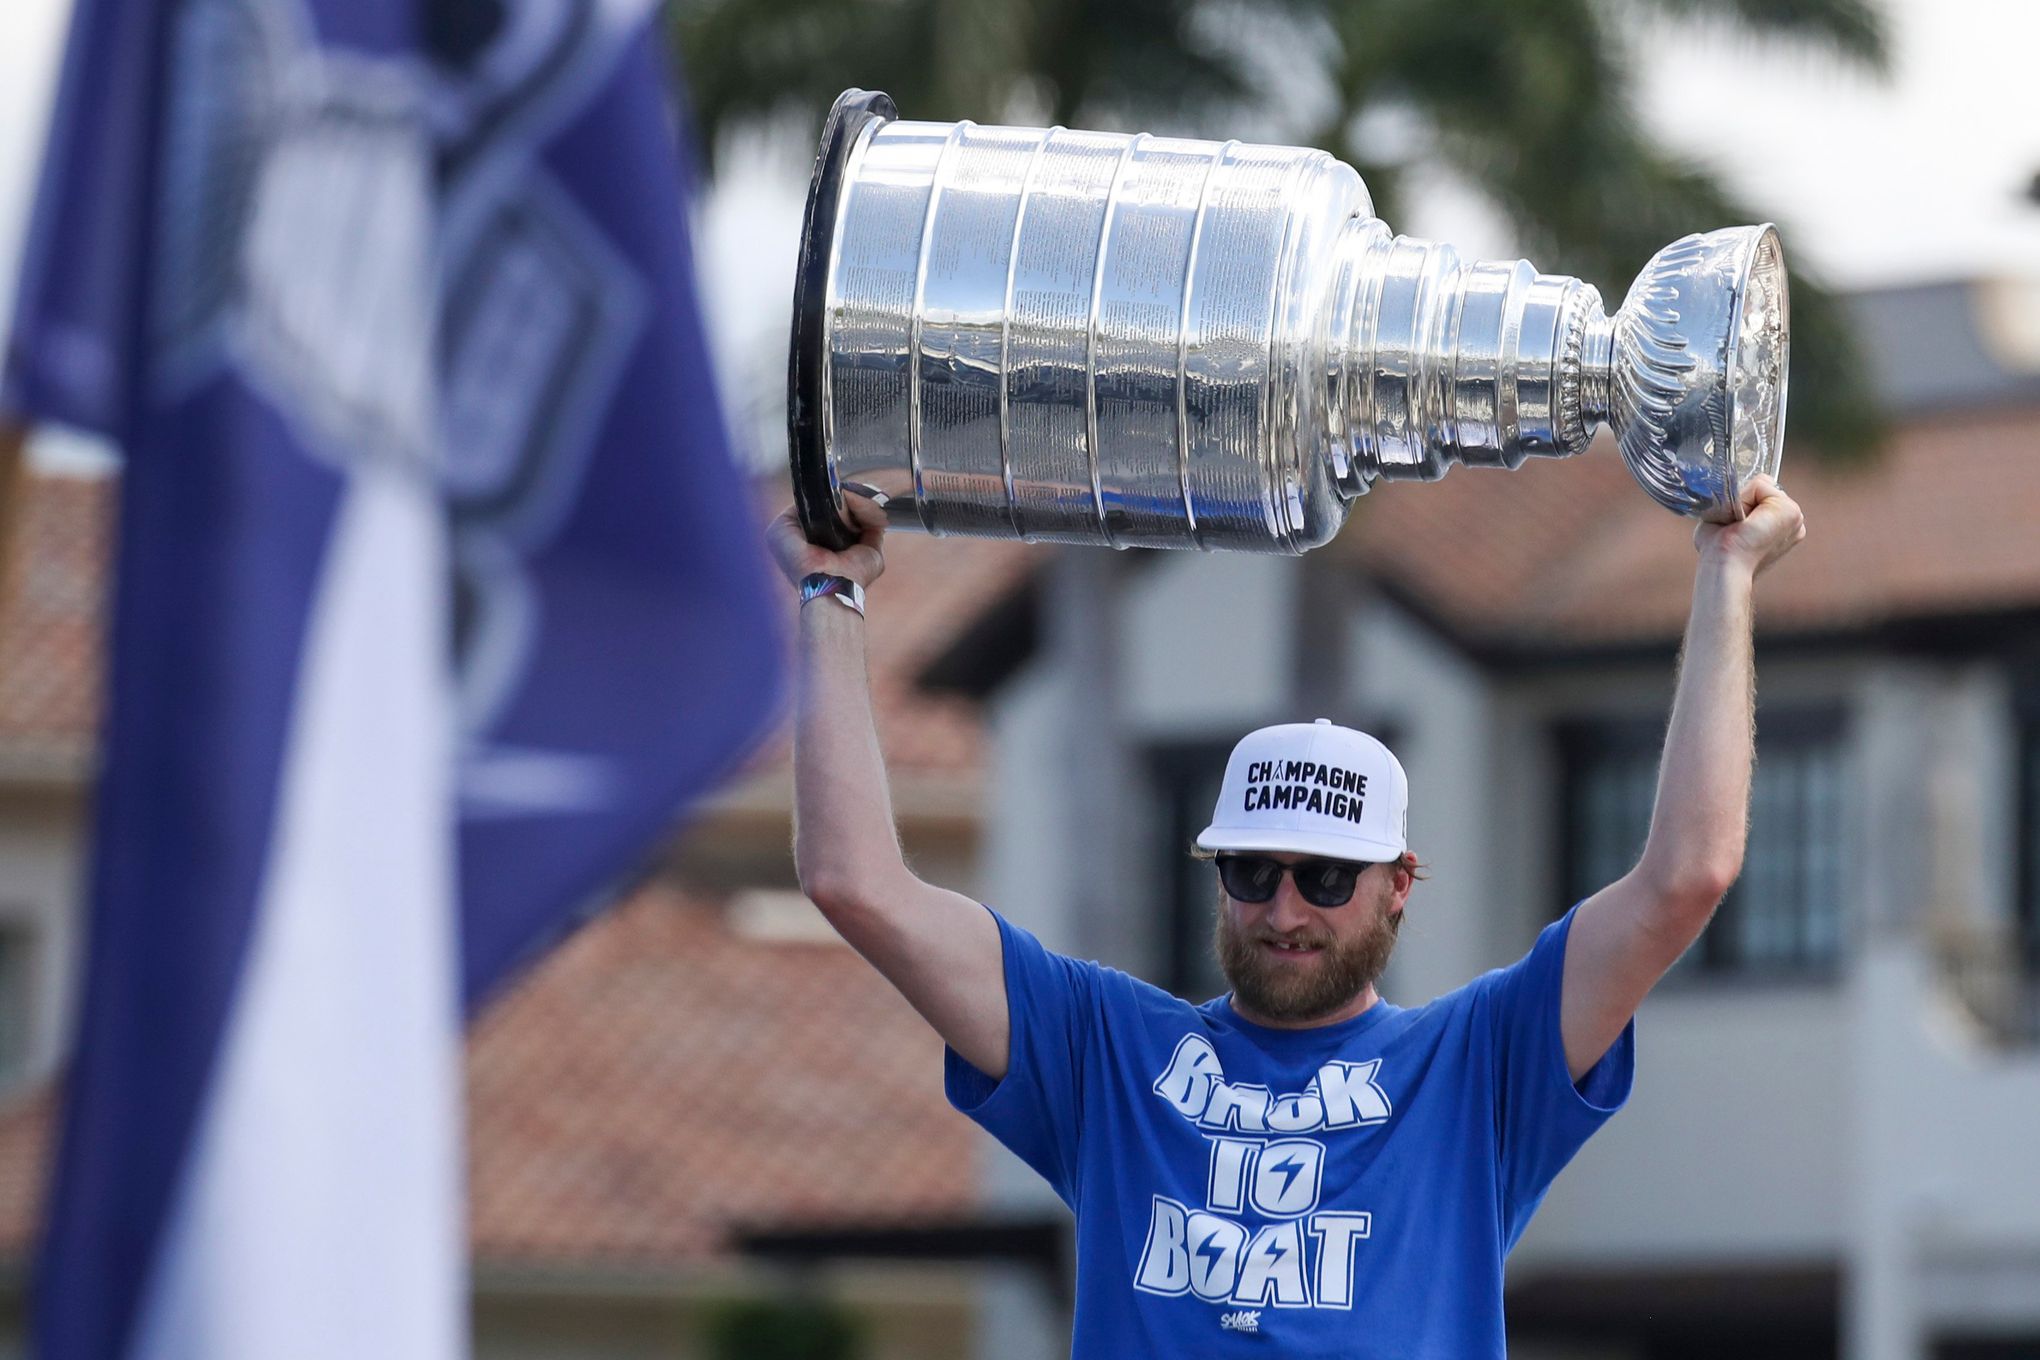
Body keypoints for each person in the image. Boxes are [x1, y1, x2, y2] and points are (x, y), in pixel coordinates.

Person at [767, 476, 1807, 1356]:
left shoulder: (1478, 1066)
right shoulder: (1105, 1049)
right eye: (1253, 871)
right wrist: (830, 589)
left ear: (1400, 882)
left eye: (1325, 876)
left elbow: (1688, 877)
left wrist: (1726, 572)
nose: (1284, 908)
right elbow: (855, 880)